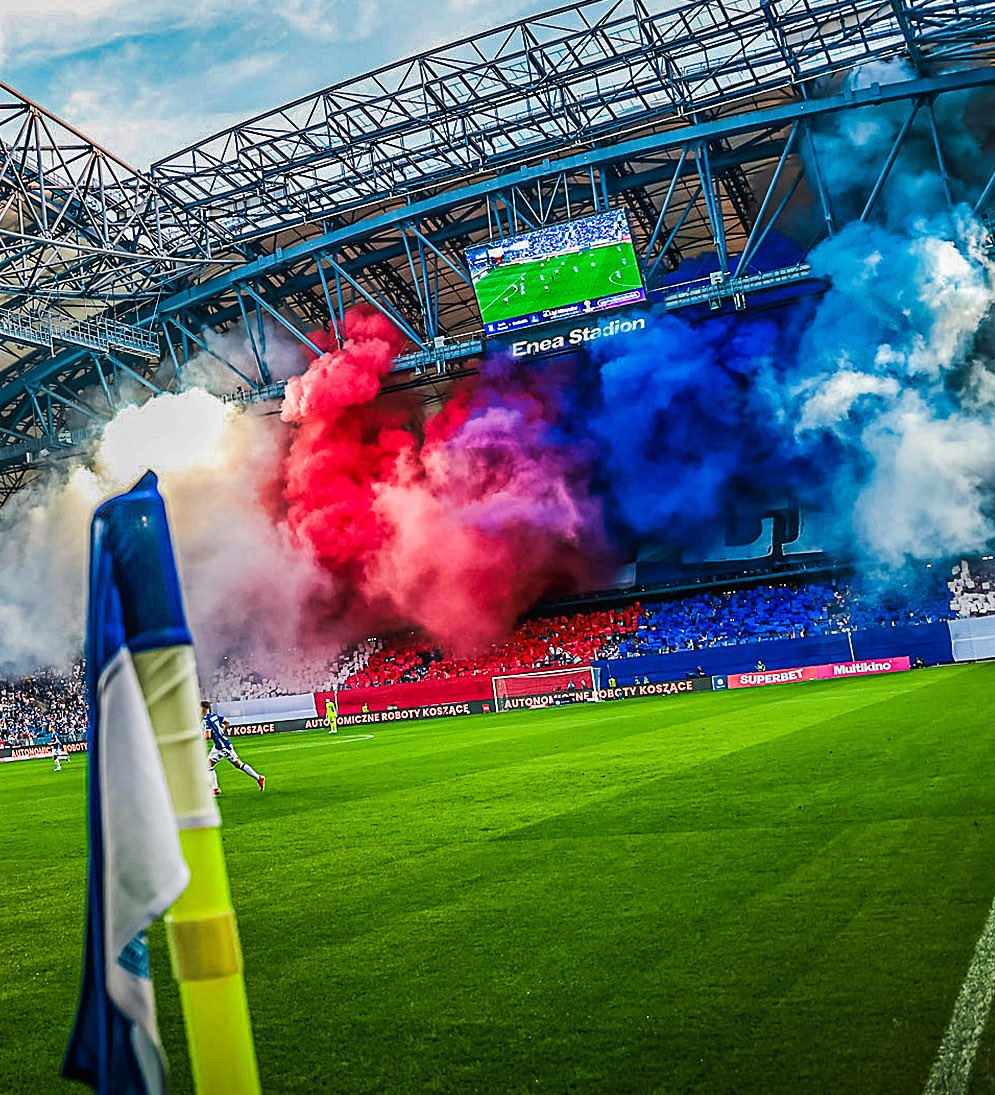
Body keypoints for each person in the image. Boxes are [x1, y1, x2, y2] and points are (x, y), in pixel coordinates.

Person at [201, 701, 265, 795]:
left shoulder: (206, 720)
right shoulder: (214, 716)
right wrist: (222, 732)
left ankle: (215, 788)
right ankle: (259, 778)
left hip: (222, 747)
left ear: (203, 708)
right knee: (237, 765)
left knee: (209, 766)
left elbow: (208, 735)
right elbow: (227, 722)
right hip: (222, 745)